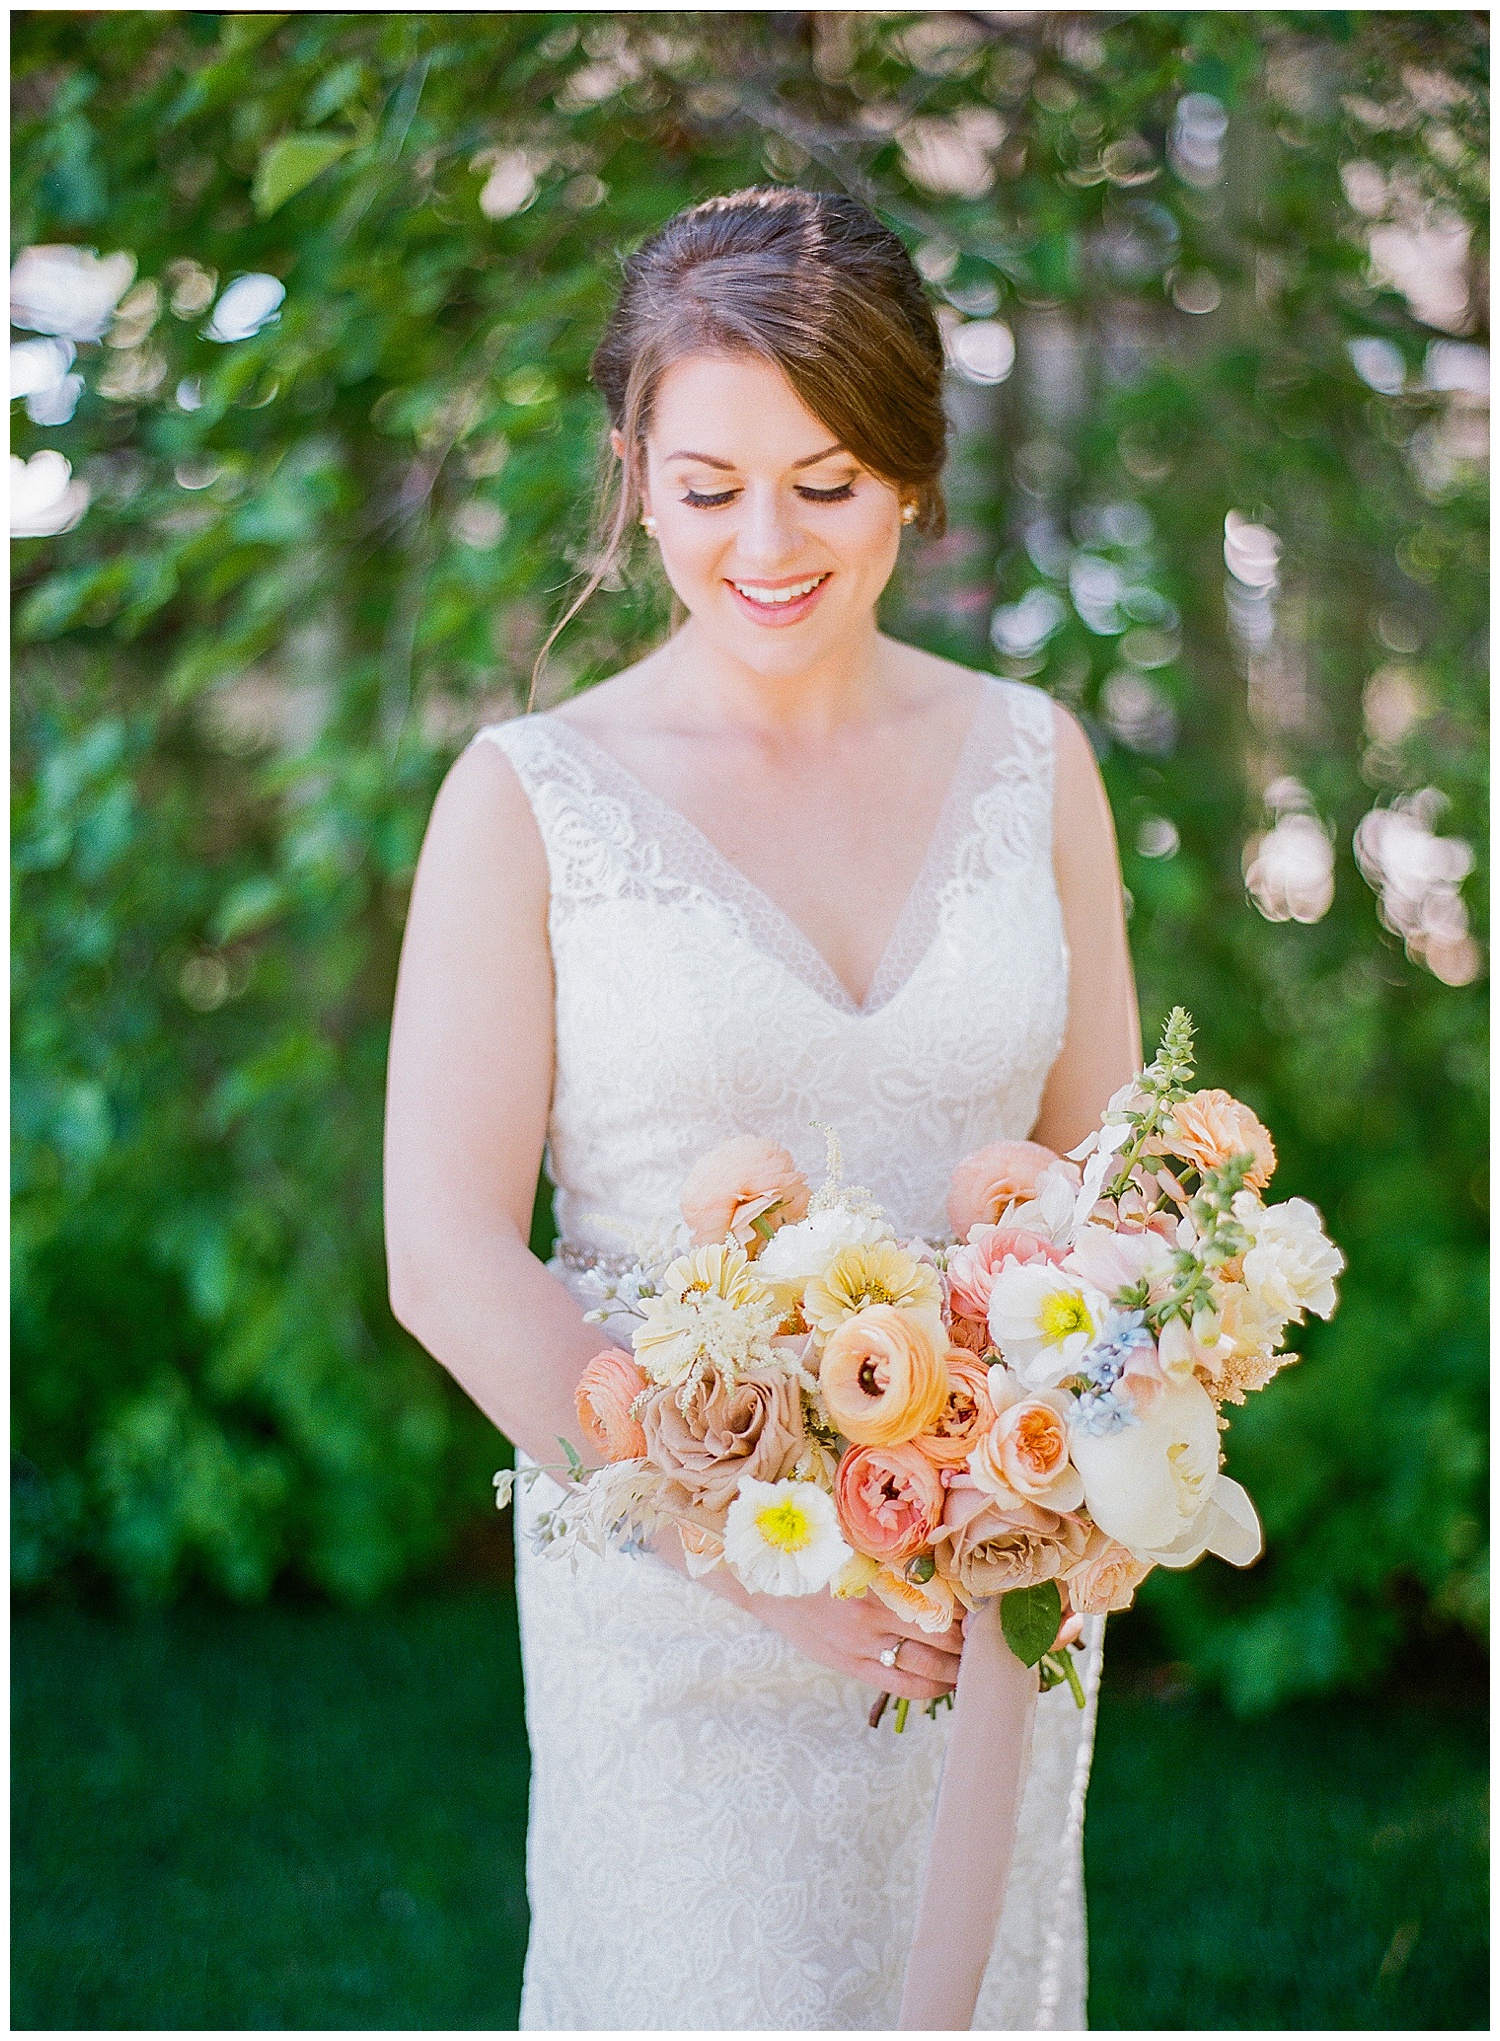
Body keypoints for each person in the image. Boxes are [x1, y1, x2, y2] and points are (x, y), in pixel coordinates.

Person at [383, 185, 1140, 2031]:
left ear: (909, 473)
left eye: (824, 480)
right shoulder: (529, 799)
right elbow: (447, 1249)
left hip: (992, 1594)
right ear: (635, 467)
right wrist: (739, 1546)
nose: (766, 543)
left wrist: (1108, 1433)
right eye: (708, 484)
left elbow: (1120, 1167)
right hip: (675, 1610)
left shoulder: (1033, 760)